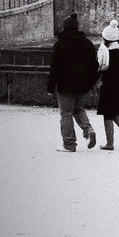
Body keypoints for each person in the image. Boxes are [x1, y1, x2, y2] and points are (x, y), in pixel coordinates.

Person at [46, 13, 99, 151]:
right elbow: (94, 66)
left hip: (65, 84)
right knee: (78, 108)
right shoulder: (88, 43)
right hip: (82, 84)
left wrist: (50, 87)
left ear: (64, 28)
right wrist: (90, 83)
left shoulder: (60, 44)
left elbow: (55, 68)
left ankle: (69, 144)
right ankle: (88, 130)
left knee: (66, 113)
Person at [96, 20, 119, 150]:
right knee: (113, 112)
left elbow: (99, 69)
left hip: (108, 87)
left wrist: (95, 83)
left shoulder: (105, 53)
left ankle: (111, 142)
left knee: (107, 113)